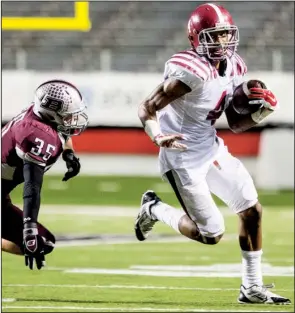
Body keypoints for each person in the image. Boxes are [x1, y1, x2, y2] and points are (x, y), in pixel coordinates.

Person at [134, 3, 290, 305]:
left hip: (210, 146)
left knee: (252, 211)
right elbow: (147, 107)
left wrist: (262, 113)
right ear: (196, 38)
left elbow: (234, 122)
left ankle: (252, 287)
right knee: (211, 234)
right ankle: (153, 208)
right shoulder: (190, 72)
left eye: (225, 35)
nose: (221, 42)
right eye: (213, 36)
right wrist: (157, 135)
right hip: (181, 157)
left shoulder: (235, 65)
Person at [2, 79, 88, 270]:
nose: (72, 120)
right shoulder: (36, 134)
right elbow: (32, 187)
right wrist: (29, 228)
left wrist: (68, 153)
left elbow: (63, 132)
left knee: (44, 243)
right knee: (33, 240)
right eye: (67, 116)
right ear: (51, 113)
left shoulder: (39, 113)